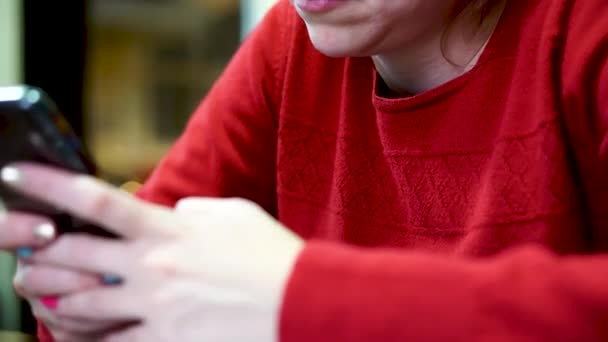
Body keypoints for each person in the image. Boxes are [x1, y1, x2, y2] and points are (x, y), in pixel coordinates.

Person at [1, 0, 607, 340]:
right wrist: (90, 302)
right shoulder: (292, 46)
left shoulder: (583, 29)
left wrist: (295, 298)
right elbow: (151, 262)